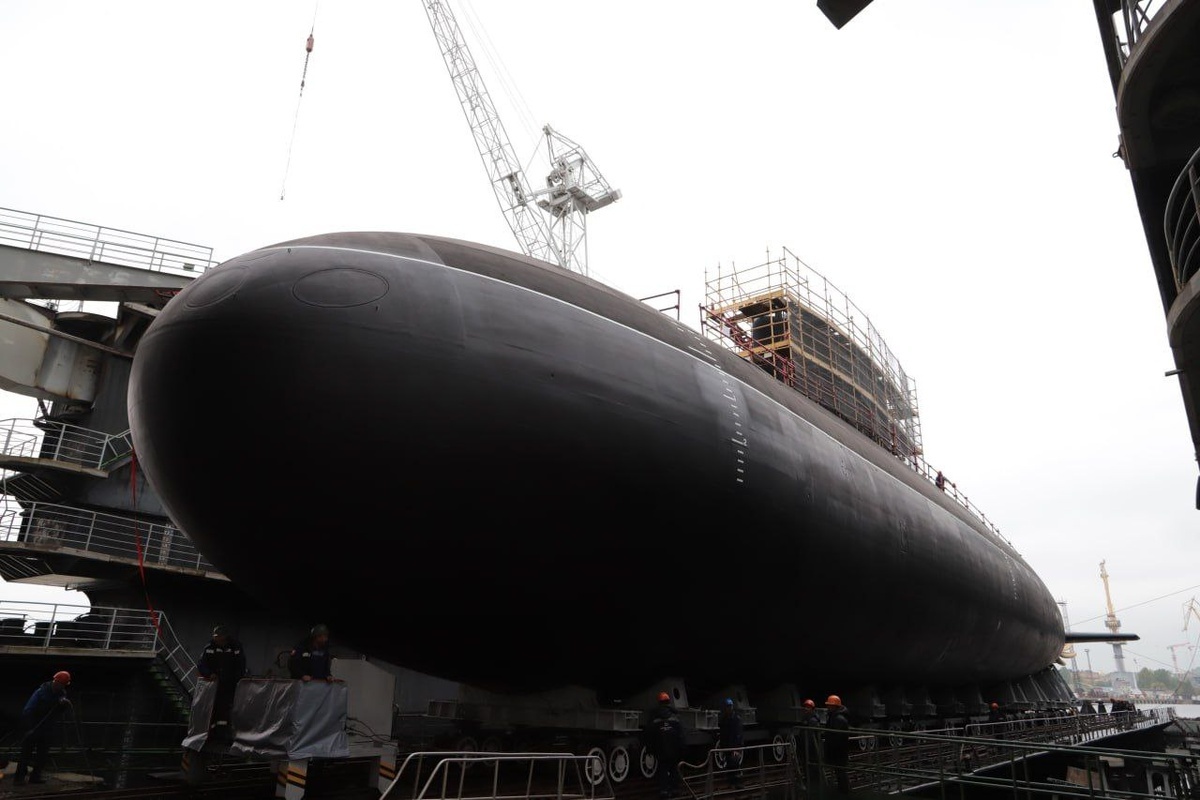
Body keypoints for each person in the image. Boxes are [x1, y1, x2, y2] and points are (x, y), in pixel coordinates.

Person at [14, 671, 72, 785]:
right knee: (26, 753)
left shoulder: (62, 694)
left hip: (47, 728)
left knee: (42, 754)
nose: (62, 687)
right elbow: (28, 710)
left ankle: (35, 777)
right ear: (56, 682)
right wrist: (29, 727)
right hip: (34, 725)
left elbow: (58, 712)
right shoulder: (41, 692)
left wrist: (63, 706)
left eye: (64, 685)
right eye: (62, 684)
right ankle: (19, 778)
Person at [197, 625, 247, 736]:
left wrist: (236, 679)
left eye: (218, 636)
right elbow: (201, 665)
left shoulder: (235, 647)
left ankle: (224, 734)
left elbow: (241, 665)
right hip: (213, 685)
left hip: (229, 684)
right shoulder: (209, 647)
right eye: (215, 636)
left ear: (224, 637)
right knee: (212, 708)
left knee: (225, 709)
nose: (216, 638)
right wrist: (209, 674)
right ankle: (210, 732)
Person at [643, 691, 686, 799]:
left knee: (662, 770)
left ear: (659, 702)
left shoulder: (654, 718)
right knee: (674, 770)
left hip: (661, 750)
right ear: (669, 702)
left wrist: (649, 749)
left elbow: (649, 735)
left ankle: (664, 791)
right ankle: (675, 790)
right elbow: (681, 735)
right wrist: (683, 749)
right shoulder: (675, 717)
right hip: (674, 750)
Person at [823, 694, 851, 795]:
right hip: (838, 751)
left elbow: (838, 737)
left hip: (839, 751)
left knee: (840, 772)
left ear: (834, 706)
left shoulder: (838, 719)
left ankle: (844, 792)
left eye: (829, 705)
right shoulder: (835, 717)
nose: (828, 707)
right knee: (839, 771)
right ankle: (843, 790)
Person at [717, 698, 744, 789]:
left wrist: (737, 748)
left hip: (734, 746)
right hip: (727, 746)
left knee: (735, 765)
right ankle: (732, 782)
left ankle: (737, 783)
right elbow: (723, 734)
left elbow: (739, 734)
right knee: (729, 765)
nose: (729, 708)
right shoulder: (724, 720)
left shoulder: (736, 719)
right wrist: (723, 747)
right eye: (728, 707)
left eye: (730, 706)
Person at [798, 698, 823, 789]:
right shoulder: (806, 718)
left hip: (811, 748)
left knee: (812, 766)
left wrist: (806, 746)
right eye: (805, 707)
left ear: (812, 709)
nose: (806, 709)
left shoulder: (813, 720)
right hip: (807, 747)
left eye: (808, 707)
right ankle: (811, 782)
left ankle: (814, 785)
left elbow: (810, 736)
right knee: (808, 766)